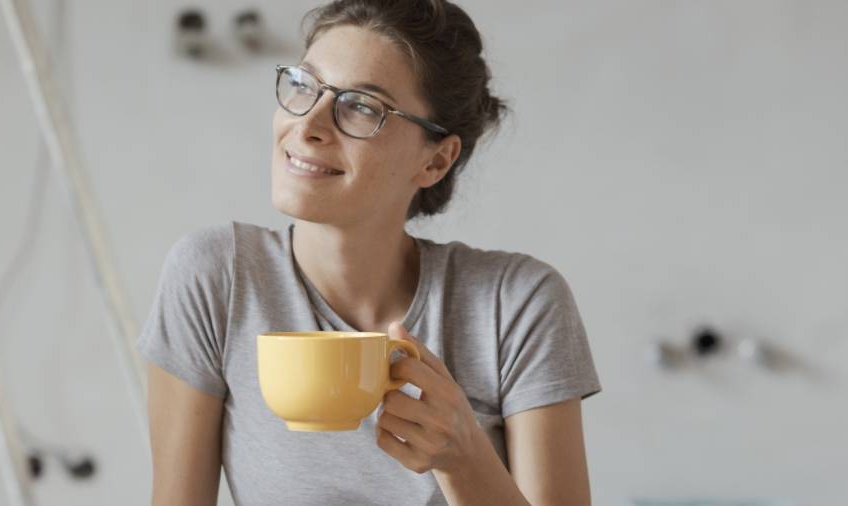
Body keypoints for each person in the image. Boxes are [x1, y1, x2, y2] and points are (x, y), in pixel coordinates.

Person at [138, 1, 601, 504]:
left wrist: (463, 457)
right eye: (303, 85)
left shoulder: (517, 303)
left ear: (436, 160)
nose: (309, 124)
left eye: (360, 105)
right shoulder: (216, 277)